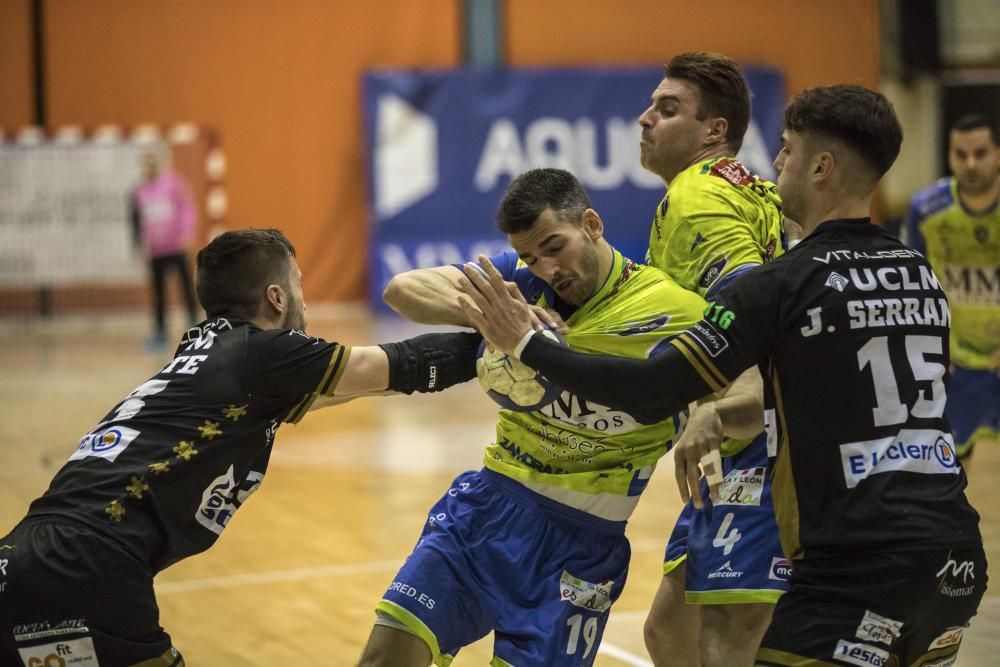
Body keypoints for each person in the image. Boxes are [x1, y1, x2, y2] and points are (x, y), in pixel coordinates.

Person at [460, 85, 986, 667]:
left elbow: (653, 389)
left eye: (785, 150)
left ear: (821, 167)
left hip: (856, 565)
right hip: (953, 557)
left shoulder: (780, 283)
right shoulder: (919, 273)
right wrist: (720, 412)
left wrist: (527, 345)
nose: (775, 164)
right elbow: (823, 391)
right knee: (674, 631)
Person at [0, 228, 480, 666]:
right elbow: (400, 362)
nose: (305, 304)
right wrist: (503, 345)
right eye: (299, 286)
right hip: (92, 561)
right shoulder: (259, 352)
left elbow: (367, 386)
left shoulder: (209, 353)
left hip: (23, 553)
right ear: (276, 297)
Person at [361, 168, 754, 666]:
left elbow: (751, 386)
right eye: (530, 256)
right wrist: (502, 318)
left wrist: (713, 413)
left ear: (591, 223)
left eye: (554, 246)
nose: (546, 268)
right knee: (384, 657)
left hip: (584, 544)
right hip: (488, 510)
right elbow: (402, 289)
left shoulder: (672, 308)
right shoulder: (522, 285)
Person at [636, 51, 787, 667]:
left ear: (713, 130)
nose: (645, 119)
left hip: (756, 446)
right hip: (754, 441)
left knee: (721, 641)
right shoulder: (754, 190)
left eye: (667, 109)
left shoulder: (699, 200)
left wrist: (727, 411)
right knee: (672, 631)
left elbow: (750, 321)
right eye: (650, 105)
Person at [903, 114, 1000, 464]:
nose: (971, 163)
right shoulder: (925, 210)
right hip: (956, 362)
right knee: (953, 469)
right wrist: (932, 346)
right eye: (961, 154)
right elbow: (915, 286)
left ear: (998, 153)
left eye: (981, 153)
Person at [131, 152, 200, 351]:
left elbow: (187, 208)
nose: (149, 168)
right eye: (146, 165)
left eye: (152, 164)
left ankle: (195, 326)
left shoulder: (173, 184)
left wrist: (187, 232)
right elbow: (137, 221)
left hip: (176, 246)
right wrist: (140, 246)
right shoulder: (140, 192)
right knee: (158, 292)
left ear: (158, 165)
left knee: (186, 287)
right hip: (155, 251)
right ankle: (160, 332)